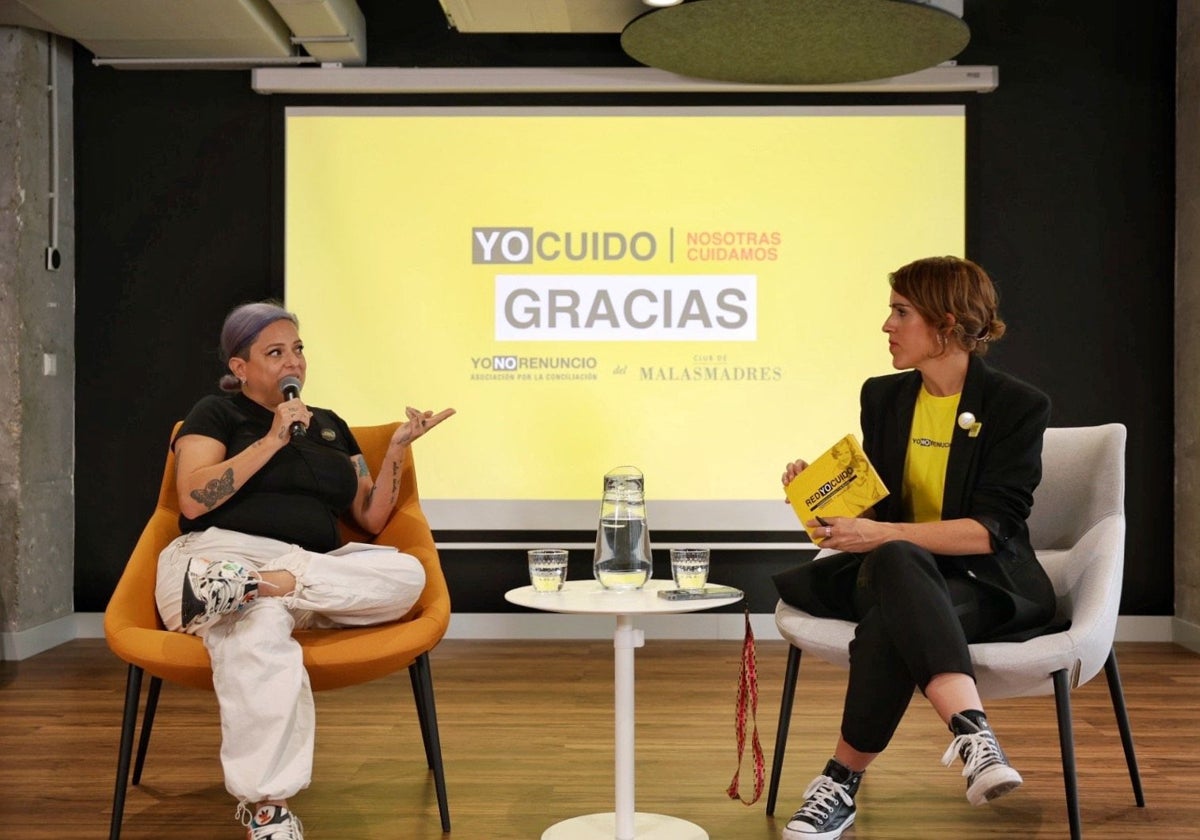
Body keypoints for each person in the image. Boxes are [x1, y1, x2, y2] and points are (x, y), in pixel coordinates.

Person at [772, 256, 1056, 840]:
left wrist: (882, 536)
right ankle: (975, 737)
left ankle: (839, 784)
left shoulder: (1017, 406)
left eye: (901, 312)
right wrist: (826, 499)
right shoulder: (884, 396)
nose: (887, 326)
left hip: (981, 582)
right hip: (892, 569)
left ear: (946, 324)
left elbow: (990, 529)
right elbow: (881, 510)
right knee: (898, 562)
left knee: (888, 619)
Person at [154, 300, 454, 840]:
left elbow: (371, 515)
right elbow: (194, 500)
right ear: (240, 368)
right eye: (275, 352)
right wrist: (272, 439)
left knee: (408, 576)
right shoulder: (215, 414)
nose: (292, 362)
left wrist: (397, 454)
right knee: (258, 627)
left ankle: (260, 589)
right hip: (220, 554)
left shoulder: (332, 429)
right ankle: (269, 809)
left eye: (297, 349)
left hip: (307, 572)